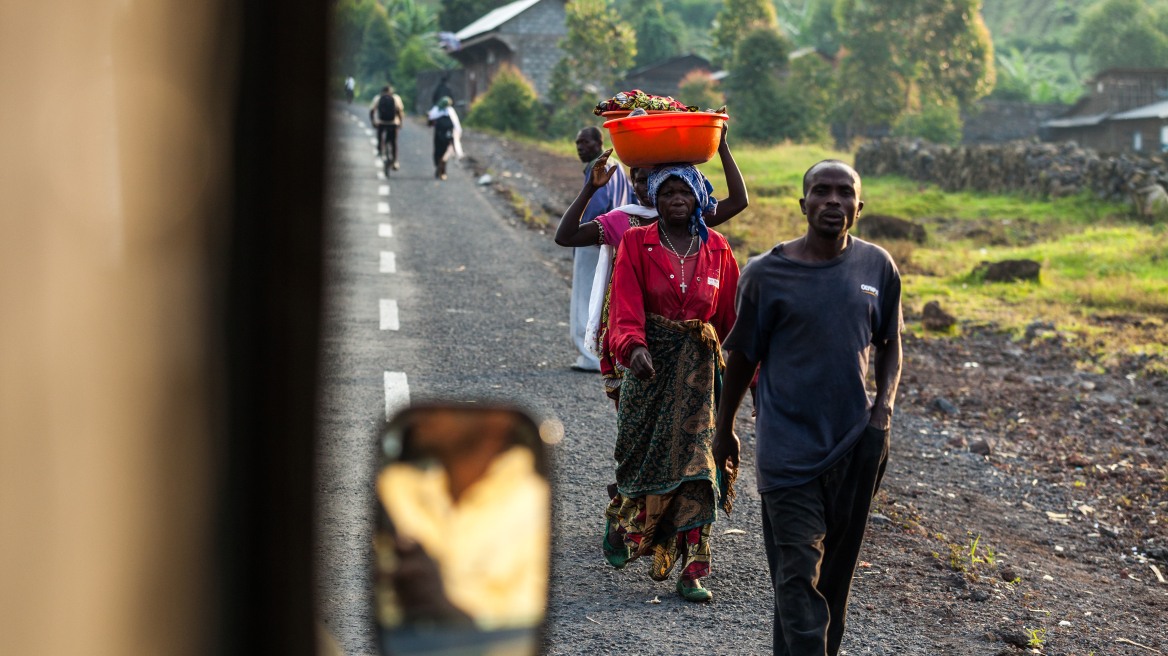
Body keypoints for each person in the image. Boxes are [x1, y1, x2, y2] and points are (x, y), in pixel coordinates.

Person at [712, 160, 903, 655]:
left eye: (845, 193)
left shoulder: (877, 267)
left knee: (831, 589)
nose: (833, 201)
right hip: (787, 453)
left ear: (860, 207)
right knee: (797, 579)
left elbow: (890, 342)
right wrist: (723, 426)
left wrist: (882, 410)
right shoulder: (765, 274)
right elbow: (742, 356)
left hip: (855, 446)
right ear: (803, 204)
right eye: (822, 191)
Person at [601, 164, 745, 603]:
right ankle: (623, 520)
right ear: (656, 201)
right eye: (667, 194)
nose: (676, 200)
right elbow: (624, 305)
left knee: (700, 469)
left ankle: (694, 567)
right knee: (640, 457)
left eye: (685, 192)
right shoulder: (635, 243)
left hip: (701, 376)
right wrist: (633, 347)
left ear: (699, 197)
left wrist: (748, 379)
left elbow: (733, 325)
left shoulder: (718, 248)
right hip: (649, 367)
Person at [555, 123, 748, 398]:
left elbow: (739, 200)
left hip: (684, 333)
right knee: (635, 414)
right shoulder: (623, 221)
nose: (645, 188)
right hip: (628, 325)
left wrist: (723, 147)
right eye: (639, 179)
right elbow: (566, 236)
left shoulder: (691, 220)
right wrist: (590, 188)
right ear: (632, 181)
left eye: (652, 180)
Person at [566, 126, 634, 372]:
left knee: (586, 298)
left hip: (595, 238)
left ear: (598, 143)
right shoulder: (619, 164)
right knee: (607, 300)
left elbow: (596, 206)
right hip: (617, 239)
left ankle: (590, 356)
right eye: (577, 142)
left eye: (584, 142)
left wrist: (584, 233)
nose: (579, 147)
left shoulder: (599, 166)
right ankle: (608, 354)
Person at [369, 85, 404, 171]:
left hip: (382, 122)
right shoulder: (396, 98)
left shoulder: (378, 98)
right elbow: (400, 111)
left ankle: (380, 150)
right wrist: (400, 123)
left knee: (380, 135)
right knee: (394, 142)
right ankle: (395, 162)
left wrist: (374, 122)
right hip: (393, 123)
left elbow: (372, 111)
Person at [427, 96, 463, 180]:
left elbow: (429, 122)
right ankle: (442, 171)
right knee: (445, 153)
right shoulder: (450, 111)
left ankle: (439, 168)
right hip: (447, 136)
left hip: (438, 135)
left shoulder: (436, 110)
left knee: (438, 152)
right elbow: (456, 125)